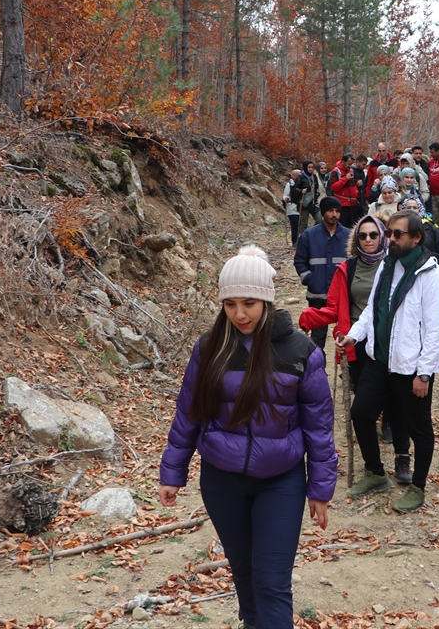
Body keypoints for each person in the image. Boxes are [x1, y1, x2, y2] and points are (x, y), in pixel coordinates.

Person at [158, 245, 337, 629]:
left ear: (267, 301)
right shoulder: (209, 348)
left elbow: (319, 425)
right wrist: (173, 472)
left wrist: (320, 488)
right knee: (243, 571)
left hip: (281, 480)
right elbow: (189, 412)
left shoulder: (300, 351)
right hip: (222, 480)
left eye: (250, 303)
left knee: (271, 581)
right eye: (231, 303)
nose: (240, 314)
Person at [340, 210, 439, 512]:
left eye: (398, 234)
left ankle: (418, 487)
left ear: (416, 237)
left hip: (410, 366)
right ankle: (375, 472)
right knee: (360, 412)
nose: (391, 239)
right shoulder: (387, 267)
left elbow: (435, 329)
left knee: (419, 428)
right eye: (389, 233)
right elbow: (372, 312)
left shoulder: (431, 275)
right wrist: (353, 335)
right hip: (379, 359)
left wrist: (424, 374)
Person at [298, 217, 412, 483]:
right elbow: (335, 308)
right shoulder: (347, 269)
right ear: (356, 239)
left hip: (392, 343)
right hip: (357, 344)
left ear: (383, 237)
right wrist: (311, 317)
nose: (369, 240)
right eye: (363, 236)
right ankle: (373, 467)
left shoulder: (395, 265)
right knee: (364, 406)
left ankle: (403, 457)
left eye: (374, 235)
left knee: (397, 402)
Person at [293, 196, 351, 349]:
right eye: (331, 211)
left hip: (343, 296)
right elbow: (300, 260)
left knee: (347, 335)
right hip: (317, 294)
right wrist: (309, 279)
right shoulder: (309, 235)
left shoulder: (348, 235)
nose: (334, 214)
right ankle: (317, 369)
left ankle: (346, 370)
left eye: (337, 211)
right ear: (323, 212)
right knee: (318, 338)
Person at [401, 196, 439, 275]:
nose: (412, 210)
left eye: (415, 207)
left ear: (420, 210)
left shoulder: (431, 227)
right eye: (408, 207)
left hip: (429, 271)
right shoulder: (398, 227)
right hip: (405, 272)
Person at [329, 155, 362, 228]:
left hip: (353, 204)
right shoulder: (336, 172)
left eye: (351, 164)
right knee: (342, 227)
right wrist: (345, 178)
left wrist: (357, 184)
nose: (350, 166)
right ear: (343, 162)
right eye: (349, 164)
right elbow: (333, 187)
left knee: (352, 227)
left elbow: (353, 185)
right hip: (343, 205)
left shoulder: (351, 171)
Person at [297, 160, 322, 229]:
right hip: (304, 202)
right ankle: (303, 238)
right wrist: (301, 191)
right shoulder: (301, 176)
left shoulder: (314, 176)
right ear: (305, 167)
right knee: (304, 224)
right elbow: (295, 189)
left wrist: (317, 193)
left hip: (313, 202)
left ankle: (311, 233)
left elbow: (317, 187)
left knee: (320, 220)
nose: (311, 169)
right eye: (309, 167)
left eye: (312, 167)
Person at [282, 168, 302, 246]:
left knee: (300, 224)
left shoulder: (302, 184)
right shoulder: (289, 185)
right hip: (292, 207)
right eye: (298, 175)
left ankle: (300, 241)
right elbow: (285, 195)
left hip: (300, 207)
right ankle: (295, 242)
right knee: (294, 224)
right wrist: (286, 198)